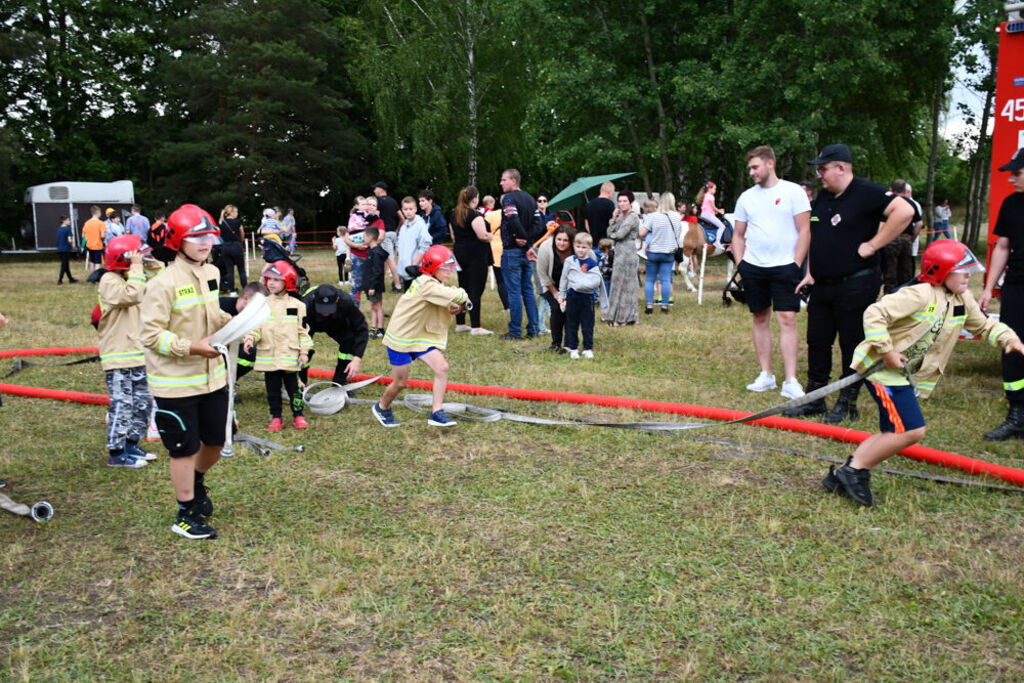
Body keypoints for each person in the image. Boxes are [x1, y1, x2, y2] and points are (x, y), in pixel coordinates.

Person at [823, 240, 1023, 506]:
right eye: (961, 270)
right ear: (940, 271)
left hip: (903, 376)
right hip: (882, 372)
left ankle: (843, 474)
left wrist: (1008, 338)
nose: (968, 276)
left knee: (895, 430)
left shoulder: (962, 299)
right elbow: (875, 312)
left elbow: (985, 327)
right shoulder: (919, 294)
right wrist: (886, 350)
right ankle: (853, 470)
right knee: (910, 430)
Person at [787, 143, 914, 424]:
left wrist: (874, 244)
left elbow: (904, 212)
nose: (819, 175)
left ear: (841, 168)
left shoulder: (867, 192)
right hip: (822, 284)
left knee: (852, 344)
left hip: (856, 283)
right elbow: (817, 235)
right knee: (817, 341)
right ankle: (815, 398)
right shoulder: (823, 198)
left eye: (823, 169)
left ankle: (847, 402)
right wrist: (809, 272)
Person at [140, 204, 232, 540]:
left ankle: (193, 483)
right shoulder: (162, 284)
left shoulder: (211, 273)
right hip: (175, 384)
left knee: (217, 442)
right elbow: (150, 335)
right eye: (197, 237)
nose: (206, 242)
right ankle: (185, 513)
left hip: (213, 377)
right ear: (179, 240)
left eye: (210, 236)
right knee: (184, 449)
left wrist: (237, 325)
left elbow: (212, 313)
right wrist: (192, 347)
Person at [732, 145, 812, 400]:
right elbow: (738, 234)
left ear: (770, 164)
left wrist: (795, 263)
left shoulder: (793, 192)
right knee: (759, 317)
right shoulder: (746, 197)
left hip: (785, 267)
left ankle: (790, 380)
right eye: (750, 168)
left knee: (787, 318)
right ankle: (766, 375)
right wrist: (741, 264)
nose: (752, 172)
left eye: (755, 167)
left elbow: (805, 231)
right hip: (754, 267)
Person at [372, 245, 469, 428]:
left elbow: (444, 302)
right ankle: (382, 407)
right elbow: (454, 295)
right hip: (401, 338)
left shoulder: (433, 285)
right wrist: (463, 296)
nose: (449, 272)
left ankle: (436, 412)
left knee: (442, 368)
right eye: (445, 268)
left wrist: (459, 306)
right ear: (433, 267)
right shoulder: (426, 284)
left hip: (419, 337)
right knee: (400, 383)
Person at [98, 234, 158, 468]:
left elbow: (157, 275)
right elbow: (131, 295)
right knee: (123, 404)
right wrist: (135, 267)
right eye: (136, 257)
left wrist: (145, 262)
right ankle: (116, 452)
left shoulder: (134, 277)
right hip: (118, 356)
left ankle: (132, 443)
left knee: (143, 402)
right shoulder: (109, 280)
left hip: (139, 353)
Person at [979, 148, 1024, 440]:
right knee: (1012, 347)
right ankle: (1017, 414)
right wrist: (987, 288)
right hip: (1017, 287)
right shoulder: (1011, 204)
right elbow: (1003, 248)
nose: (1011, 179)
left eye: (1017, 173)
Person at [243, 260, 312, 432]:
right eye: (269, 279)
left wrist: (304, 352)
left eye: (276, 279)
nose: (271, 283)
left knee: (294, 389)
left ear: (288, 281)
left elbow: (303, 332)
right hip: (269, 358)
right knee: (272, 390)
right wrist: (250, 338)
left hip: (290, 357)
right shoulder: (262, 304)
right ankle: (276, 417)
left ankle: (298, 415)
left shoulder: (298, 306)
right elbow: (256, 327)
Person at [498, 168, 545, 340]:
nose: (501, 183)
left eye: (504, 180)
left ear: (513, 180)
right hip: (528, 251)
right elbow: (540, 223)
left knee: (514, 292)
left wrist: (521, 237)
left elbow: (512, 219)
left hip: (512, 250)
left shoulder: (509, 199)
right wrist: (528, 241)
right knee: (528, 290)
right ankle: (533, 329)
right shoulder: (531, 199)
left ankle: (515, 331)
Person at [301, 283, 369, 385]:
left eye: (328, 309)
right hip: (310, 323)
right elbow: (297, 334)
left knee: (349, 340)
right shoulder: (305, 305)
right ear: (314, 298)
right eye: (322, 308)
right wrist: (303, 352)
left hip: (335, 322)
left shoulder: (346, 301)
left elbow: (361, 329)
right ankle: (300, 381)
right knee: (304, 350)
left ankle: (339, 382)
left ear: (337, 300)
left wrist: (357, 359)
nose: (325, 313)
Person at [449, 185, 494, 335]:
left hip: (460, 252)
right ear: (475, 198)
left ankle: (460, 323)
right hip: (476, 255)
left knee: (463, 287)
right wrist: (491, 236)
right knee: (476, 289)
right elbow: (482, 235)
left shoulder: (454, 214)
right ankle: (476, 326)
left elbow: (453, 236)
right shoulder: (474, 215)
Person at [559, 231, 607, 359]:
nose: (580, 250)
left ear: (590, 247)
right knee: (572, 324)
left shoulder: (592, 263)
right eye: (578, 247)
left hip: (587, 298)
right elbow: (564, 278)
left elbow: (597, 280)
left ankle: (587, 348)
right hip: (572, 296)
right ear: (574, 246)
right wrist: (562, 295)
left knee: (588, 324)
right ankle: (573, 348)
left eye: (584, 247)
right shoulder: (570, 261)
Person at [639, 192, 683, 314]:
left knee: (650, 279)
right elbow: (677, 234)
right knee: (665, 280)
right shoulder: (677, 217)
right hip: (668, 252)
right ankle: (664, 306)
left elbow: (642, 233)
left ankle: (649, 306)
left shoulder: (653, 216)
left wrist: (646, 239)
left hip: (653, 252)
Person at [219, 282, 269, 384]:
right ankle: (223, 384)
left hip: (231, 350)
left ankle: (230, 382)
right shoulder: (220, 307)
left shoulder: (254, 316)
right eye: (259, 304)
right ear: (246, 298)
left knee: (254, 351)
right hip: (212, 352)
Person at [880, 179, 922, 294]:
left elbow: (881, 225)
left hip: (890, 240)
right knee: (906, 273)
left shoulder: (889, 203)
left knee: (890, 272)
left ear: (891, 190)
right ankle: (904, 298)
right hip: (906, 239)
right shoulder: (911, 203)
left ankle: (889, 299)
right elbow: (919, 224)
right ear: (905, 190)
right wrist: (911, 239)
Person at [537, 225, 575, 352]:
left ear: (571, 241)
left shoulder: (578, 248)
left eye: (565, 240)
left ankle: (568, 345)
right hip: (551, 284)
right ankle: (555, 343)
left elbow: (591, 262)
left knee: (570, 311)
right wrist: (555, 293)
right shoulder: (545, 248)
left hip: (573, 287)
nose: (561, 243)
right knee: (556, 309)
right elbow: (542, 274)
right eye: (559, 239)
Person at [605, 191, 640, 326]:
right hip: (620, 251)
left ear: (631, 202)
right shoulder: (620, 217)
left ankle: (625, 318)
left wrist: (613, 234)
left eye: (625, 201)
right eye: (619, 201)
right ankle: (618, 316)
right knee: (618, 283)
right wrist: (613, 219)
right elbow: (609, 232)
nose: (622, 204)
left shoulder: (632, 217)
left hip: (628, 251)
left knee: (628, 285)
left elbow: (619, 235)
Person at [396, 196, 432, 289]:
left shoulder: (420, 224)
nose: (408, 211)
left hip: (415, 270)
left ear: (415, 209)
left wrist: (415, 265)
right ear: (402, 210)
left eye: (410, 209)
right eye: (405, 209)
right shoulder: (403, 226)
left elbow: (425, 245)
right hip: (404, 270)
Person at [483, 195, 510, 312]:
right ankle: (514, 304)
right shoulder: (514, 214)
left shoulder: (492, 215)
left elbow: (483, 229)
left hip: (495, 249)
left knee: (500, 280)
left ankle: (507, 306)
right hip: (510, 248)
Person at [361, 226, 388, 337]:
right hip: (371, 285)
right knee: (374, 306)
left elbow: (377, 271)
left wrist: (372, 286)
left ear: (371, 237)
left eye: (364, 236)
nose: (363, 239)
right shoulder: (372, 251)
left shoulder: (376, 253)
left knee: (377, 306)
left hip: (375, 285)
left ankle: (380, 329)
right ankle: (373, 327)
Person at [217, 204, 247, 293]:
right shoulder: (237, 222)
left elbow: (219, 234)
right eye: (236, 212)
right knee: (241, 270)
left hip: (225, 247)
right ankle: (245, 289)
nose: (237, 214)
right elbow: (242, 233)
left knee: (229, 270)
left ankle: (232, 291)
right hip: (236, 246)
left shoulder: (222, 222)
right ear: (232, 212)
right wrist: (240, 241)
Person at [82, 206, 106, 272]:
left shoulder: (87, 223)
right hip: (98, 245)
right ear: (97, 212)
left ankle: (92, 277)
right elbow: (103, 235)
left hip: (89, 245)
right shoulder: (101, 223)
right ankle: (96, 278)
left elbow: (83, 236)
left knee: (92, 262)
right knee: (98, 263)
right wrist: (103, 240)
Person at [56, 216, 78, 284]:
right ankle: (60, 279)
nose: (69, 221)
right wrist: (71, 246)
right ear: (64, 221)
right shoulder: (67, 229)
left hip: (60, 249)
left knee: (66, 265)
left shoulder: (58, 229)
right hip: (66, 249)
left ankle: (70, 279)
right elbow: (69, 240)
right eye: (68, 220)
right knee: (64, 265)